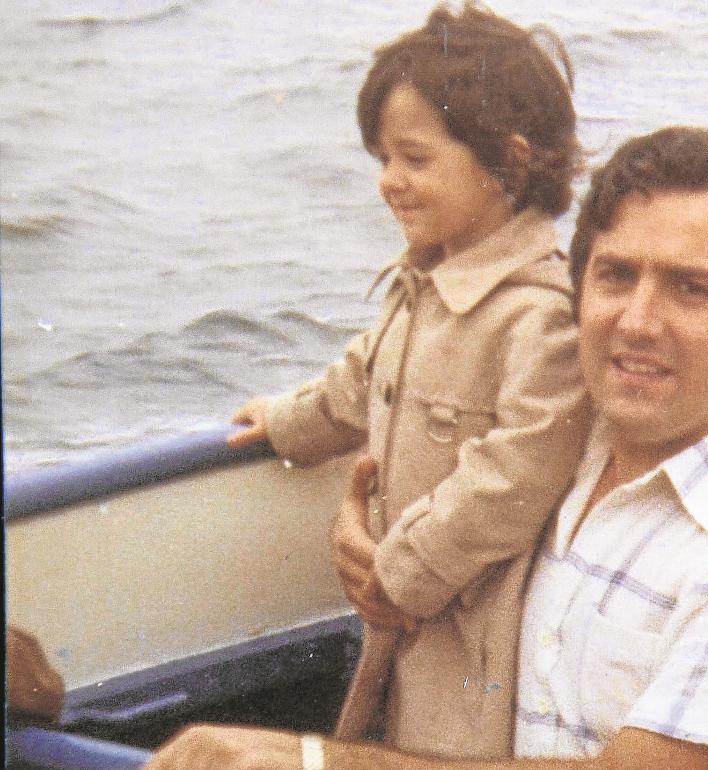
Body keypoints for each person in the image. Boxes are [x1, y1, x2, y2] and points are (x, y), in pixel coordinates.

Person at [146, 125, 708, 770]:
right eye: (615, 276)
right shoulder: (559, 450)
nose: (637, 320)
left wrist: (308, 762)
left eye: (690, 289)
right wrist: (371, 546)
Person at [226, 3, 591, 759]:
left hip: (471, 638)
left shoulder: (540, 318)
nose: (389, 182)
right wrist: (287, 422)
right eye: (382, 160)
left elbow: (515, 474)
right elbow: (363, 379)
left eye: (414, 159)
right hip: (398, 624)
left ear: (509, 163)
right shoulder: (425, 285)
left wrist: (399, 574)